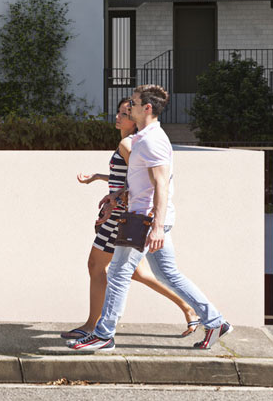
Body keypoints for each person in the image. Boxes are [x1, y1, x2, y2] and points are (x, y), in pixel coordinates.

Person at [69, 84, 231, 352]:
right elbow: (143, 182)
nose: (128, 107)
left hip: (144, 219)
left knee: (119, 273)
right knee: (168, 274)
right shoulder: (145, 138)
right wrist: (117, 194)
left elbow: (161, 184)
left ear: (147, 108)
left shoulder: (151, 140)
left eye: (133, 103)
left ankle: (103, 334)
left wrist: (156, 227)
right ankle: (215, 321)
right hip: (147, 217)